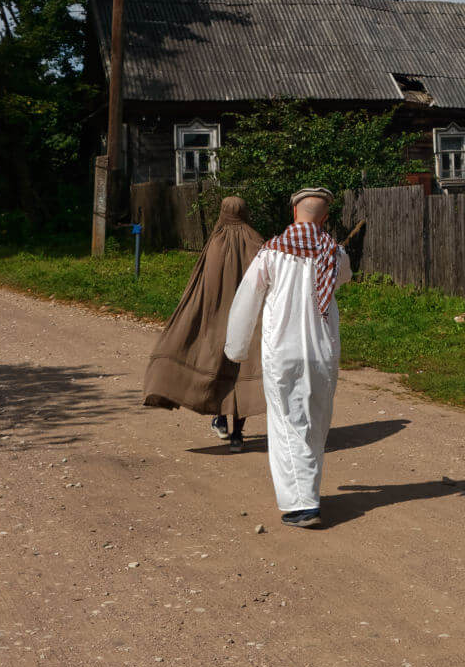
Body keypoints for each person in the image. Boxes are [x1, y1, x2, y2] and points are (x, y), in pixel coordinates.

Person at [223, 187, 352, 528]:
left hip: (282, 350)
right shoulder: (335, 254)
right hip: (323, 351)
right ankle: (306, 495)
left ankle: (303, 504)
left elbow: (247, 299)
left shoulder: (271, 253)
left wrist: (235, 349)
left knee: (287, 423)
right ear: (324, 219)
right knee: (316, 422)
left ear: (294, 213)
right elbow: (342, 280)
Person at [142, 195, 265, 450]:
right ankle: (238, 436)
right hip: (249, 322)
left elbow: (201, 285)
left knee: (218, 366)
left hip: (216, 320)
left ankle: (219, 419)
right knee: (241, 371)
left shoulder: (215, 242)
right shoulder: (257, 242)